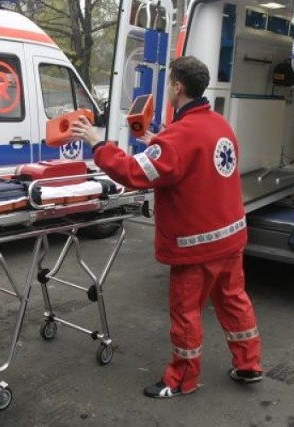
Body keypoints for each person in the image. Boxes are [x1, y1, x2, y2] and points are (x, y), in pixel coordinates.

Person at [71, 56, 262, 398]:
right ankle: (249, 364)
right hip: (231, 238)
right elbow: (191, 159)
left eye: (169, 82)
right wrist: (159, 144)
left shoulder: (177, 138)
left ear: (177, 87)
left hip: (196, 246)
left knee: (186, 313)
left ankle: (183, 378)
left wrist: (97, 144)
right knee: (234, 301)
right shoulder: (219, 125)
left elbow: (134, 173)